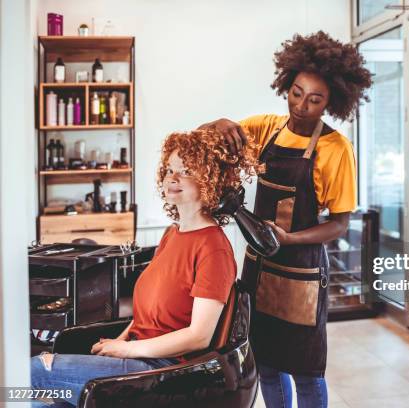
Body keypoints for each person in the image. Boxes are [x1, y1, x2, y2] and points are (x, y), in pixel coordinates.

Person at [200, 31, 372, 408]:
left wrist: (289, 239)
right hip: (259, 269)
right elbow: (202, 141)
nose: (301, 106)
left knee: (305, 370)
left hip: (302, 276)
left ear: (332, 102)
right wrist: (218, 122)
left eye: (315, 99)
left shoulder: (336, 149)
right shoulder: (266, 129)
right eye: (296, 92)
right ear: (287, 84)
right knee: (267, 364)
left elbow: (340, 223)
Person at [30, 127, 261, 407]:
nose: (172, 178)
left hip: (163, 372)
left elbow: (199, 336)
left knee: (35, 372)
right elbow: (147, 315)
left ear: (209, 180)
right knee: (44, 400)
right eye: (169, 170)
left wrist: (127, 349)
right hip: (139, 355)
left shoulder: (214, 248)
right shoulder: (172, 234)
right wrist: (118, 342)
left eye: (185, 171)